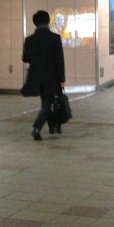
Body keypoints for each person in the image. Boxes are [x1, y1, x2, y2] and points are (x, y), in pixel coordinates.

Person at [21, 10, 66, 141]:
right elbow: (59, 60)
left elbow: (25, 58)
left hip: (36, 77)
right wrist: (61, 79)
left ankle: (52, 126)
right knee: (47, 105)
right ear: (48, 21)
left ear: (35, 23)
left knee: (46, 103)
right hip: (52, 78)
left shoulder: (29, 40)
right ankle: (37, 127)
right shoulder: (55, 38)